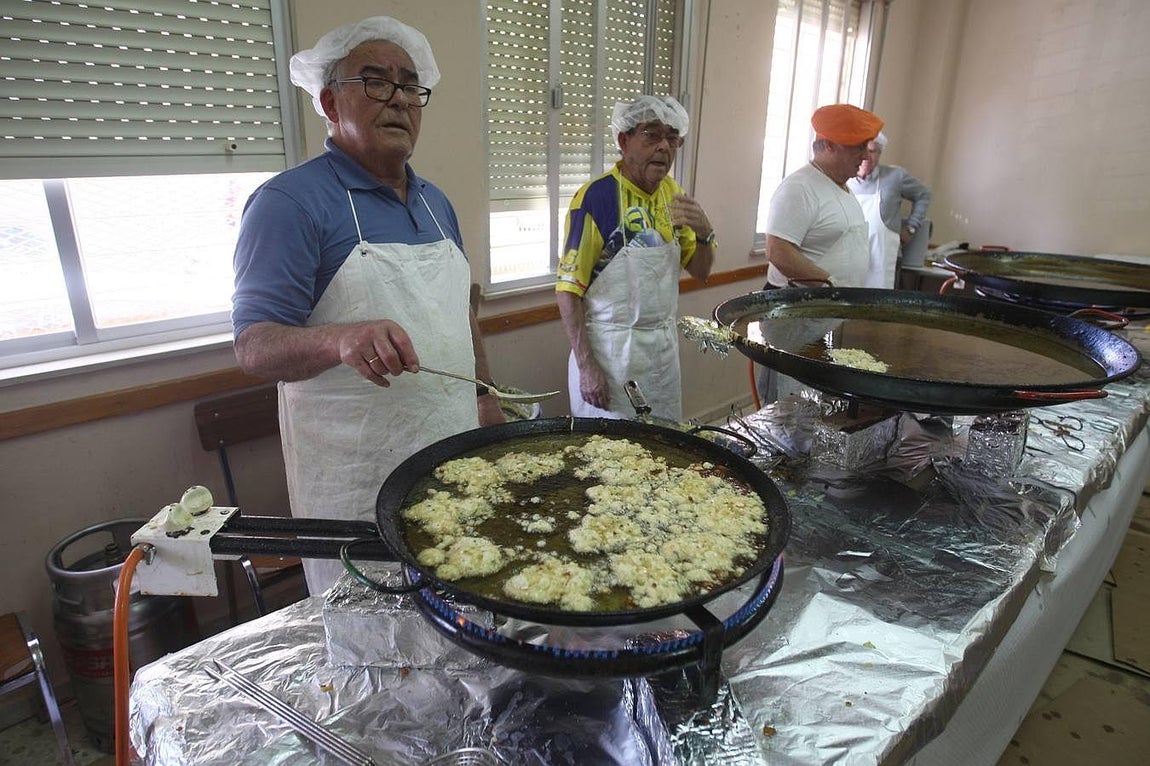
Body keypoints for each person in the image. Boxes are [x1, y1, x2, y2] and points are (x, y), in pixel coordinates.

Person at [230, 16, 503, 594]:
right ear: (330, 102)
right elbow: (254, 346)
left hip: (451, 455)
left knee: (464, 621)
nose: (398, 100)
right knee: (378, 652)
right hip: (357, 479)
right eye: (376, 82)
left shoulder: (436, 203)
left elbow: (462, 309)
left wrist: (485, 395)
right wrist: (338, 339)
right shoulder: (289, 203)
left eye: (410, 87)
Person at [556, 95, 716, 422]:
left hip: (661, 359)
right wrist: (587, 367)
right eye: (651, 134)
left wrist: (705, 233)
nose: (664, 147)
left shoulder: (673, 195)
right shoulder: (595, 199)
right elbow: (568, 290)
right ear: (623, 140)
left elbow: (700, 271)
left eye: (672, 137)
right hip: (611, 358)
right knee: (608, 459)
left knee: (662, 450)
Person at [757, 103, 883, 403]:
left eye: (867, 147)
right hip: (797, 314)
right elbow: (778, 250)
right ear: (827, 146)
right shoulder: (800, 188)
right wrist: (829, 285)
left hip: (828, 313)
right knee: (792, 404)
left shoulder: (841, 187)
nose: (865, 156)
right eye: (857, 148)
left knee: (821, 400)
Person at [847, 131, 932, 289]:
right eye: (863, 151)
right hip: (852, 257)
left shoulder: (895, 177)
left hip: (884, 258)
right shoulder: (846, 180)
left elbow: (924, 194)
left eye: (872, 151)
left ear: (879, 153)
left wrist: (912, 227)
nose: (867, 157)